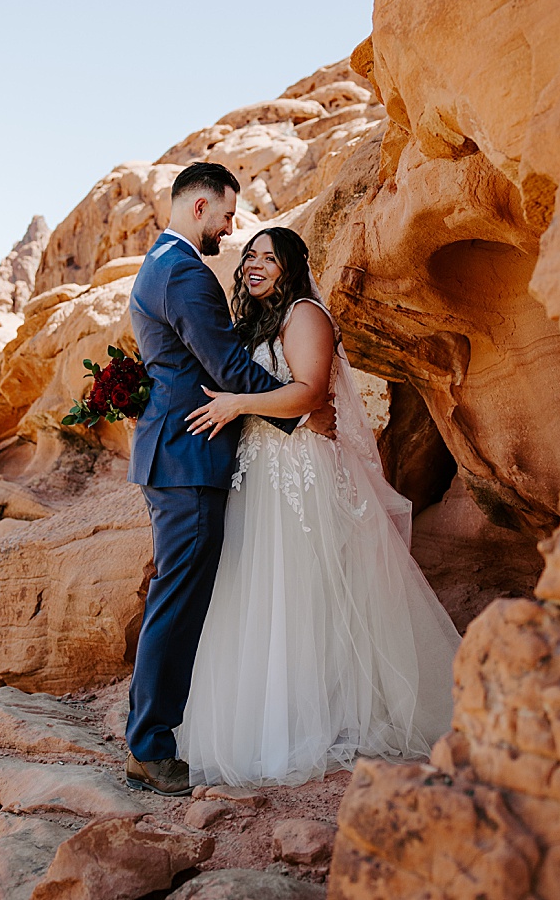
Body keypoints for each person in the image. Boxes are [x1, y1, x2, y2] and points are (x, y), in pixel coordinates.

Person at [178, 226, 461, 786]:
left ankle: (320, 720)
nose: (255, 265)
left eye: (268, 258)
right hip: (260, 466)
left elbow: (309, 393)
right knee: (258, 587)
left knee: (305, 589)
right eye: (250, 257)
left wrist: (238, 404)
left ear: (291, 266)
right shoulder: (259, 321)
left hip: (299, 468)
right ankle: (266, 721)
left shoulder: (304, 313)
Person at [124, 164, 335, 797]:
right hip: (189, 460)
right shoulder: (184, 270)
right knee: (177, 601)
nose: (230, 227)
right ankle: (151, 746)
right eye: (225, 215)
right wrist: (301, 410)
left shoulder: (163, 264)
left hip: (188, 459)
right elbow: (225, 364)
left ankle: (150, 735)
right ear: (198, 207)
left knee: (179, 599)